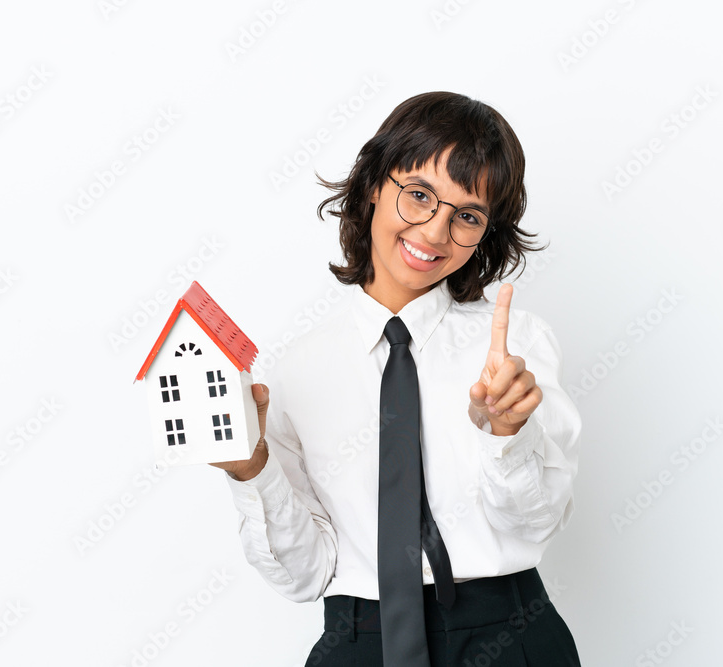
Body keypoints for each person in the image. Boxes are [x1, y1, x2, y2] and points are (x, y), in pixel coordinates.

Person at [212, 91, 582, 666]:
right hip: (360, 641)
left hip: (508, 638)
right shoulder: (299, 370)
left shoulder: (517, 348)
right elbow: (305, 575)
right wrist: (251, 472)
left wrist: (507, 435)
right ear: (372, 187)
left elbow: (536, 524)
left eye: (467, 216)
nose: (434, 232)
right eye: (419, 195)